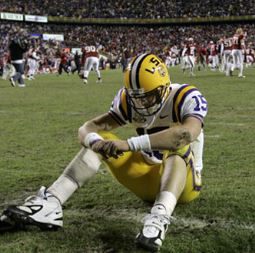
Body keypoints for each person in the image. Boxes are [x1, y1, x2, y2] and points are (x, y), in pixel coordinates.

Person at [0, 54, 207, 252]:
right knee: (102, 139)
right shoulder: (128, 100)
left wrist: (130, 144)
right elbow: (87, 128)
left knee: (179, 146)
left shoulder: (185, 96)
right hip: (146, 176)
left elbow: (185, 134)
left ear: (163, 88)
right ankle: (51, 202)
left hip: (184, 185)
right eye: (136, 98)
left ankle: (160, 216)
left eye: (148, 97)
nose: (141, 104)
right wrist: (94, 142)